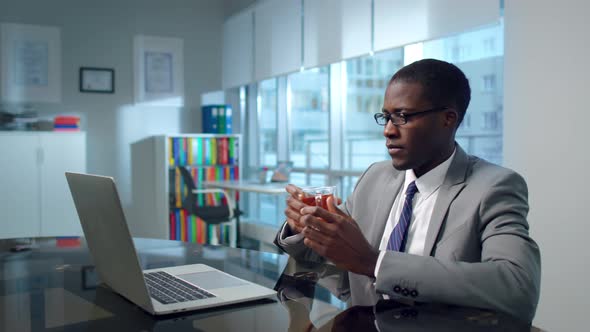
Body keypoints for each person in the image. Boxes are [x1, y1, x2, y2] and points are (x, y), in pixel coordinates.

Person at [274, 59, 541, 322]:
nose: (388, 131)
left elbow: (517, 287)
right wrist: (303, 225)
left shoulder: (494, 187)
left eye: (402, 116)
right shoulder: (374, 178)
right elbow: (322, 254)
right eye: (386, 117)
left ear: (448, 119)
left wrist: (375, 263)